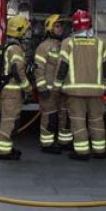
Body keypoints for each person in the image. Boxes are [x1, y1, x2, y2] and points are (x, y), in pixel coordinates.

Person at [54, 10, 106, 161]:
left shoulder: (68, 43)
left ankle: (82, 152)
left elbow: (62, 67)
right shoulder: (100, 44)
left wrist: (57, 86)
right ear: (90, 24)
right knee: (96, 120)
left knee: (78, 121)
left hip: (75, 92)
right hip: (96, 92)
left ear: (74, 26)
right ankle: (100, 151)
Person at [0, 15, 31, 161]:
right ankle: (3, 152)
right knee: (9, 121)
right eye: (25, 31)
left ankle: (7, 148)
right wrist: (27, 88)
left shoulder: (10, 46)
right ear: (19, 30)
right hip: (12, 91)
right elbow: (17, 70)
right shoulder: (16, 49)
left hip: (9, 90)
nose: (27, 34)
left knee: (11, 120)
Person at [34, 14, 70, 155]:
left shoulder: (65, 45)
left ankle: (64, 142)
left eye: (61, 25)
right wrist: (42, 88)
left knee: (64, 116)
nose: (60, 28)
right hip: (49, 90)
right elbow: (39, 69)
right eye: (57, 26)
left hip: (62, 89)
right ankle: (47, 144)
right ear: (50, 28)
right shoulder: (44, 47)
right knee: (50, 117)